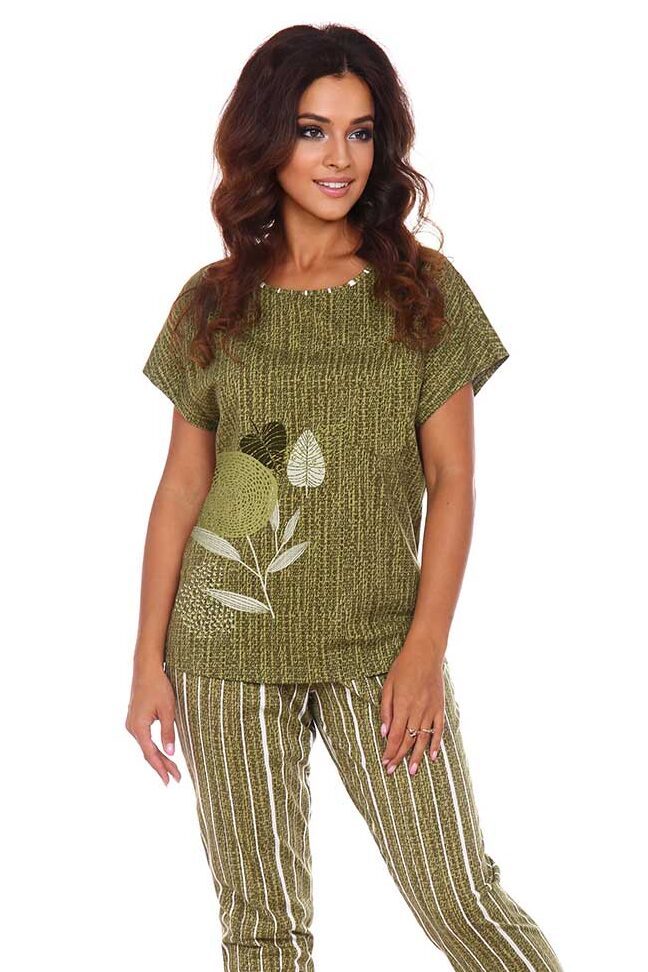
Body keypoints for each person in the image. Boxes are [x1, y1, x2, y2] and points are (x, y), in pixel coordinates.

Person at [126, 23, 564, 972]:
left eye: (360, 132)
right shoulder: (212, 302)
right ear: (266, 140)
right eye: (312, 130)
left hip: (379, 648)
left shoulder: (422, 294)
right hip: (226, 649)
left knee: (461, 900)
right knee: (262, 932)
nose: (339, 158)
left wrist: (425, 650)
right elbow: (182, 487)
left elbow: (454, 481)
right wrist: (146, 663)